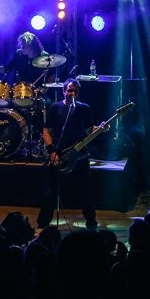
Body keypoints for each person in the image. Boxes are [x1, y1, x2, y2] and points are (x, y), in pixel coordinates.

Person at [38, 77, 102, 231]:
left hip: (80, 154)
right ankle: (42, 224)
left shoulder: (84, 108)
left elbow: (89, 130)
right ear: (63, 91)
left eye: (75, 91)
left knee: (86, 190)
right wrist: (51, 151)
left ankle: (91, 223)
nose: (72, 93)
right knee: (51, 191)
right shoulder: (55, 108)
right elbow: (46, 131)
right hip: (59, 153)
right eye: (69, 90)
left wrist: (100, 129)